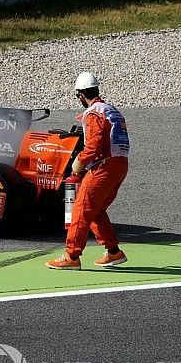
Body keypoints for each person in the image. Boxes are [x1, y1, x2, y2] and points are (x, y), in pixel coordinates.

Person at [46, 71, 130, 270]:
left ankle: (71, 256)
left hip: (103, 167)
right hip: (120, 164)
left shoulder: (93, 113)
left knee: (81, 209)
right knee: (96, 210)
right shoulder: (111, 110)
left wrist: (79, 162)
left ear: (81, 95)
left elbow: (94, 145)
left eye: (78, 96)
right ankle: (113, 252)